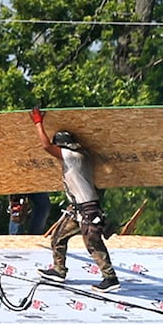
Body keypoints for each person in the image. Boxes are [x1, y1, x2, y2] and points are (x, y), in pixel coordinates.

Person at [31, 107, 120, 292]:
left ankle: (110, 278)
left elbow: (46, 146)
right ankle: (58, 270)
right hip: (79, 208)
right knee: (58, 237)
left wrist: (38, 123)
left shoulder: (72, 156)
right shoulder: (83, 155)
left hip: (87, 209)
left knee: (93, 243)